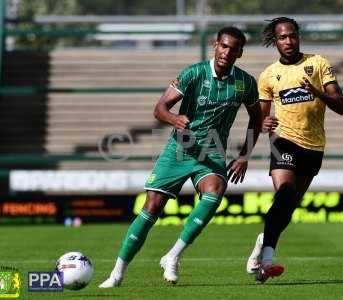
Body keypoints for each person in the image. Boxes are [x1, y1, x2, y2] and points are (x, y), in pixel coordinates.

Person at [99, 26, 262, 288]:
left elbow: (257, 118)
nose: (226, 52)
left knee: (215, 192)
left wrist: (244, 156)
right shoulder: (193, 73)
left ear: (240, 52)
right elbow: (160, 108)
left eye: (233, 48)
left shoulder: (245, 82)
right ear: (215, 45)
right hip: (179, 149)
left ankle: (172, 256)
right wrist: (174, 118)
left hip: (211, 152)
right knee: (151, 207)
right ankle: (117, 274)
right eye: (223, 45)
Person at [246, 17, 343, 283]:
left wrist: (317, 92)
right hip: (283, 141)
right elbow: (261, 119)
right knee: (285, 193)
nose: (288, 41)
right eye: (282, 38)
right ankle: (267, 261)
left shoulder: (319, 63)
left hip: (314, 146)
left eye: (292, 36)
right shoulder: (268, 75)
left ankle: (262, 242)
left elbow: (340, 105)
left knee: (287, 208)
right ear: (275, 41)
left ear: (298, 36)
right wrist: (261, 127)